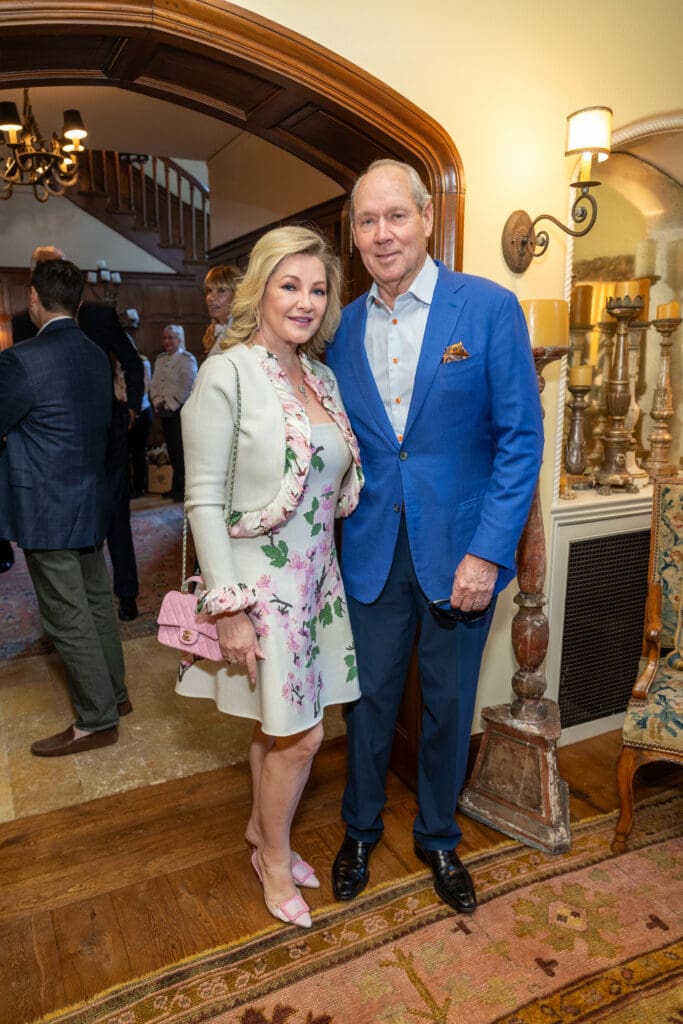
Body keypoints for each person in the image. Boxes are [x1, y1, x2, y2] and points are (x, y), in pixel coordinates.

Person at [326, 159, 544, 915]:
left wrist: (487, 552)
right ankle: (359, 830)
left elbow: (520, 441)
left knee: (449, 706)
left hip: (462, 556)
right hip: (370, 553)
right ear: (354, 236)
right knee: (368, 704)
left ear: (425, 218)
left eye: (396, 216)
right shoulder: (339, 328)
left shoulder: (486, 308)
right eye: (367, 221)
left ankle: (439, 837)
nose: (382, 234)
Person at [180, 225, 364, 929]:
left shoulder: (320, 376)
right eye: (290, 285)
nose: (305, 301)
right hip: (259, 590)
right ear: (260, 290)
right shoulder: (226, 374)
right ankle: (276, 860)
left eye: (317, 289)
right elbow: (201, 498)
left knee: (277, 725)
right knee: (303, 737)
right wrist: (227, 608)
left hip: (316, 584)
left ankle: (262, 832)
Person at [0, 259, 132, 756]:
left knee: (65, 614)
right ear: (77, 303)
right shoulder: (96, 354)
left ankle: (96, 720)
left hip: (46, 505)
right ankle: (115, 695)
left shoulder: (21, 360)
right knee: (96, 601)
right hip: (89, 497)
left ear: (33, 297)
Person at [12, 246, 143, 623]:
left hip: (107, 431)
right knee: (62, 520)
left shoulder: (99, 314)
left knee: (115, 515)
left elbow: (132, 361)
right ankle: (70, 607)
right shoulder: (23, 322)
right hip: (53, 439)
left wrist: (132, 407)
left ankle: (126, 593)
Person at [150, 324, 197, 502]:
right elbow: (155, 383)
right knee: (172, 449)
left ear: (179, 339)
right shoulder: (161, 359)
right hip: (164, 412)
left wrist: (171, 405)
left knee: (181, 451)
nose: (167, 341)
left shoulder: (186, 359)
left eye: (171, 338)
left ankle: (183, 488)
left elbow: (188, 384)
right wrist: (157, 401)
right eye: (165, 338)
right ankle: (176, 486)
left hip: (179, 411)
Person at [119, 309, 153, 497]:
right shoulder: (116, 366)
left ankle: (139, 487)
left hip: (141, 411)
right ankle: (127, 487)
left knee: (138, 451)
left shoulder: (143, 363)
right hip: (123, 410)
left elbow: (145, 387)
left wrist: (131, 404)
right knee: (124, 453)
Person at [201, 264, 240, 357]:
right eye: (209, 291)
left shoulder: (247, 335)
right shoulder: (220, 331)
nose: (210, 297)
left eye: (221, 291)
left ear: (237, 294)